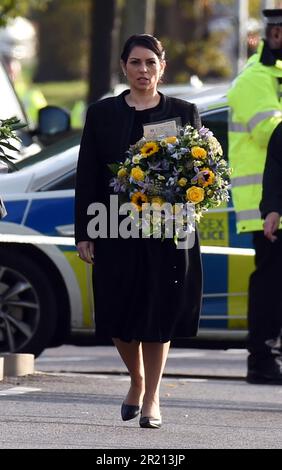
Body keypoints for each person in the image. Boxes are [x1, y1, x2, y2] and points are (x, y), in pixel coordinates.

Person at [75, 34, 203, 428]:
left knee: (158, 312)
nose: (143, 70)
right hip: (114, 224)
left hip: (168, 229)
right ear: (123, 66)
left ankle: (151, 397)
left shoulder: (184, 111)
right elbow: (88, 175)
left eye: (150, 62)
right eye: (136, 63)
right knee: (116, 311)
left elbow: (198, 172)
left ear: (162, 66)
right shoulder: (102, 115)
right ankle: (136, 378)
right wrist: (85, 231)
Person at [227, 9, 282, 384]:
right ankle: (261, 360)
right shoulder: (254, 79)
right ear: (273, 35)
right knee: (271, 288)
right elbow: (272, 134)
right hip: (266, 207)